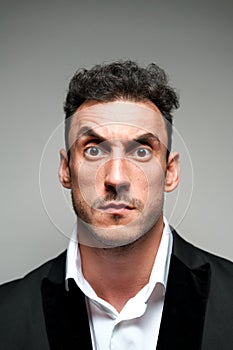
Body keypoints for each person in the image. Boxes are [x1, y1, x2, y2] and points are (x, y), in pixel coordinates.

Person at [0, 60, 232, 350]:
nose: (116, 178)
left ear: (170, 172)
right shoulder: (6, 316)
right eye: (94, 150)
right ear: (66, 169)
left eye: (141, 151)